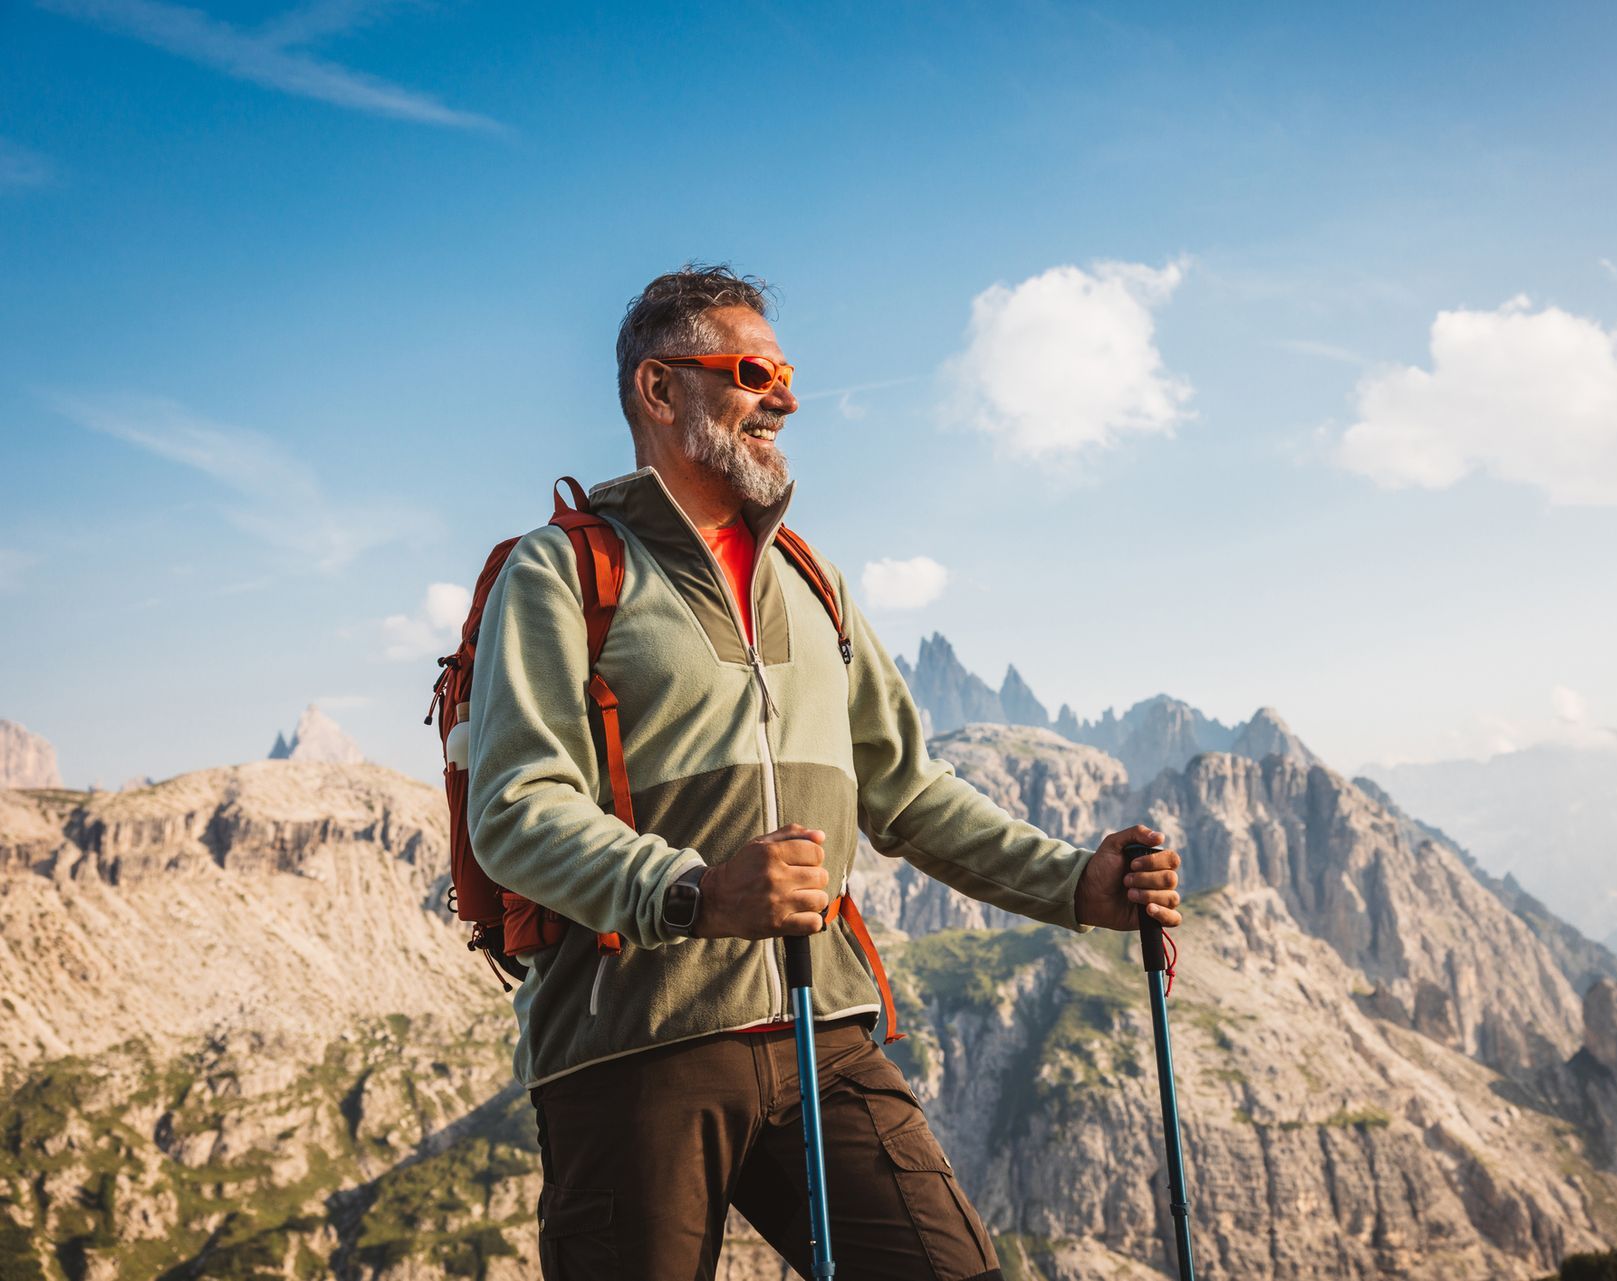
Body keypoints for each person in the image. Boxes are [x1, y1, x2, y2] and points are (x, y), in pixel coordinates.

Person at [466, 264, 1183, 1281]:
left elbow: (910, 793)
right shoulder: (563, 571)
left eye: (786, 372)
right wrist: (694, 891)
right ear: (658, 391)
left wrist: (1073, 884)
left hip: (821, 1027)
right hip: (633, 1048)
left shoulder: (813, 582)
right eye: (752, 371)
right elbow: (517, 809)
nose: (786, 399)